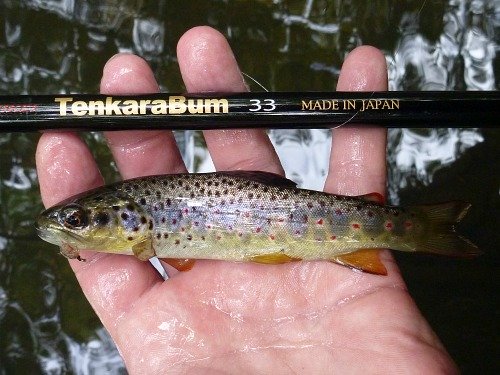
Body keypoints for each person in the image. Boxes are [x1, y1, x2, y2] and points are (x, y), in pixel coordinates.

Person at [35, 26, 459, 373]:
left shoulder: (152, 235)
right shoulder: (151, 238)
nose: (67, 228)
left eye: (77, 220)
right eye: (76, 222)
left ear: (129, 219)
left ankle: (419, 228)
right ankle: (416, 228)